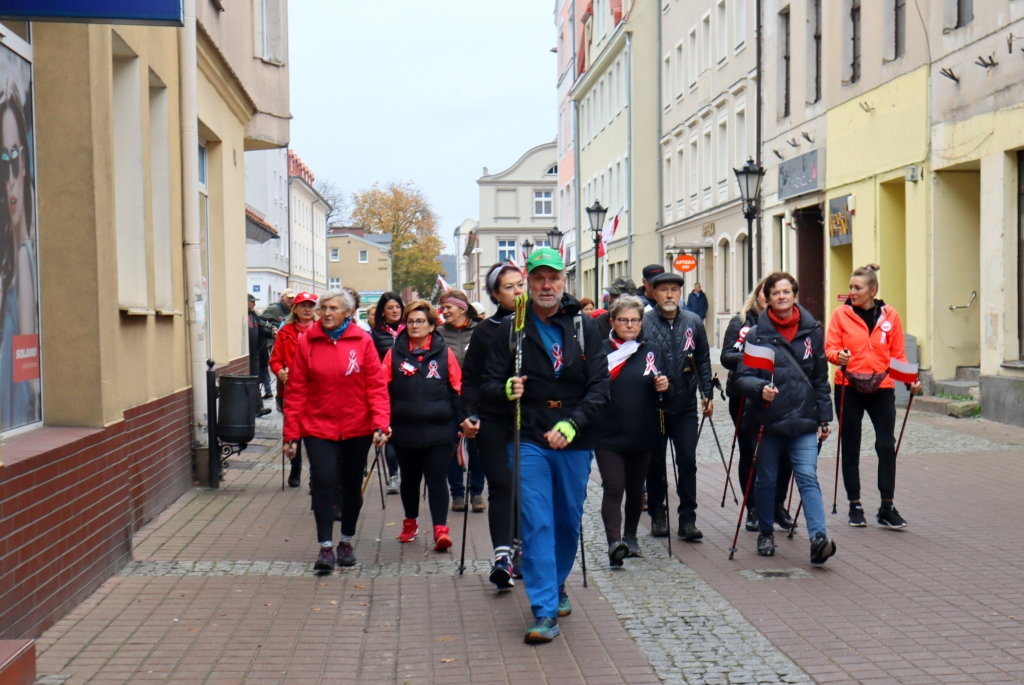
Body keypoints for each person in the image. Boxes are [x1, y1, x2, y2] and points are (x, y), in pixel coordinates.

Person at [482, 247, 609, 644]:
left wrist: (573, 425)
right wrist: (505, 388)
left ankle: (556, 584)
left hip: (574, 435)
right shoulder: (512, 327)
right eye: (538, 278)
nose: (546, 285)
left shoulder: (584, 326)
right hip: (529, 435)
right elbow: (486, 384)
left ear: (564, 281)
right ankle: (543, 610)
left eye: (553, 277)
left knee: (567, 520)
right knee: (537, 521)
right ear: (529, 282)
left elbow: (601, 386)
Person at [283, 289, 390, 571]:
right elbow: (295, 391)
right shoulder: (307, 342)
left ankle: (346, 541)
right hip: (318, 426)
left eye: (333, 308)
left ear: (347, 312)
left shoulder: (363, 341)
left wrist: (381, 423)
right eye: (323, 308)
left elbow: (376, 387)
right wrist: (291, 434)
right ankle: (325, 548)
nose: (327, 313)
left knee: (352, 486)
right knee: (325, 480)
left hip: (357, 426)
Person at [734, 272, 836, 563]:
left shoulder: (811, 330)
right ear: (767, 297)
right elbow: (742, 378)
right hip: (768, 420)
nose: (781, 297)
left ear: (794, 295)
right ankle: (766, 532)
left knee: (807, 477)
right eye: (775, 292)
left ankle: (819, 538)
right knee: (766, 479)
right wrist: (759, 389)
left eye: (786, 292)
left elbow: (819, 376)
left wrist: (824, 418)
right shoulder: (756, 334)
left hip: (804, 419)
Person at [825, 264, 921, 529]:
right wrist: (839, 356)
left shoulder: (890, 315)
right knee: (851, 445)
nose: (851, 292)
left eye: (857, 288)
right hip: (848, 385)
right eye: (850, 287)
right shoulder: (841, 314)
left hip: (882, 386)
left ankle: (887, 506)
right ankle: (855, 505)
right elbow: (830, 348)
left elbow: (898, 356)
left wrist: (910, 381)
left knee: (885, 445)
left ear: (873, 290)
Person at [383, 300, 465, 552]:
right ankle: (410, 522)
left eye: (420, 321)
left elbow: (457, 389)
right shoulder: (393, 353)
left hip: (440, 429)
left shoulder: (444, 353)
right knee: (409, 479)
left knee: (436, 477)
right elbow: (381, 390)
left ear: (431, 326)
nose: (414, 325)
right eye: (410, 321)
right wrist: (383, 423)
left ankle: (440, 529)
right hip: (405, 428)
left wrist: (462, 420)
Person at [461, 263, 524, 589]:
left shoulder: (541, 324)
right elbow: (471, 379)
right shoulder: (486, 331)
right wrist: (469, 414)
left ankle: (520, 549)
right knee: (501, 483)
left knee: (524, 486)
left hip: (530, 420)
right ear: (495, 294)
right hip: (494, 419)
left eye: (520, 284)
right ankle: (502, 556)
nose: (517, 292)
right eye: (509, 287)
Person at [595, 295, 671, 566]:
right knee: (614, 487)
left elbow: (669, 389)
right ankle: (614, 542)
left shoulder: (652, 351)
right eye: (624, 320)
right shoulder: (600, 350)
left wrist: (665, 386)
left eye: (635, 320)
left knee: (636, 489)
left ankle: (631, 536)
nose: (630, 325)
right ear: (612, 321)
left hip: (642, 430)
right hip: (607, 432)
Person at [642, 272, 713, 541]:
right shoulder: (645, 323)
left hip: (684, 406)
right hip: (655, 407)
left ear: (680, 294)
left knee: (687, 460)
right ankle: (658, 514)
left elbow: (703, 360)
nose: (670, 295)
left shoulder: (693, 322)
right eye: (664, 290)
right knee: (656, 463)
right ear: (654, 294)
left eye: (674, 290)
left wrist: (707, 394)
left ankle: (687, 519)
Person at [721, 279, 795, 532]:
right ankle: (752, 506)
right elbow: (727, 356)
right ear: (759, 297)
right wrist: (754, 358)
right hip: (746, 396)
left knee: (785, 453)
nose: (773, 300)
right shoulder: (741, 322)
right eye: (768, 296)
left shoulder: (787, 324)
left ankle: (776, 505)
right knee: (751, 452)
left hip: (780, 396)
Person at [0, 85, 40, 430]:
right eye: (2, 162)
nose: (10, 180)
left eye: (14, 159)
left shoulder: (24, 262)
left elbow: (30, 389)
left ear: (25, 164)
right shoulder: (10, 262)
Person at [438, 289, 486, 513]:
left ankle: (476, 492)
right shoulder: (438, 333)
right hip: (448, 397)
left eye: (448, 307)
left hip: (476, 395)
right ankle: (457, 493)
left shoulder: (480, 331)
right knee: (452, 444)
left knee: (477, 446)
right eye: (443, 307)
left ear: (462, 307)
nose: (444, 311)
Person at [269, 291, 319, 486]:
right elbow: (274, 360)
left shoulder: (320, 330)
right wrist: (279, 372)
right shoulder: (286, 332)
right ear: (295, 309)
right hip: (290, 390)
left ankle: (316, 473)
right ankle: (295, 467)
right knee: (293, 431)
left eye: (310, 306)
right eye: (303, 306)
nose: (307, 309)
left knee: (314, 434)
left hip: (316, 391)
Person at [371, 292, 405, 493]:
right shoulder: (375, 334)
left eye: (398, 307)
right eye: (390, 308)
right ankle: (393, 476)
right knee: (389, 432)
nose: (395, 311)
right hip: (385, 390)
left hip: (408, 388)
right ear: (382, 311)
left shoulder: (410, 329)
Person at [260, 289, 295, 411]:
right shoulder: (274, 309)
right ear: (283, 298)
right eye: (289, 298)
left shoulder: (293, 309)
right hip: (275, 341)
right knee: (280, 368)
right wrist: (272, 328)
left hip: (289, 340)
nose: (291, 300)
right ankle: (279, 399)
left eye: (292, 298)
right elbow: (260, 319)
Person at [247, 295, 274, 418]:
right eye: (252, 302)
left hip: (255, 353)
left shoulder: (253, 316)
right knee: (253, 380)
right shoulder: (242, 315)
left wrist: (271, 333)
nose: (254, 305)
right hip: (247, 354)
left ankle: (258, 408)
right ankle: (256, 408)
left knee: (256, 380)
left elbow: (261, 329)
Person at [593, 276, 635, 341]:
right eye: (610, 296)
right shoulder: (600, 323)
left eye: (615, 296)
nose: (610, 300)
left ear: (629, 298)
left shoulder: (641, 321)